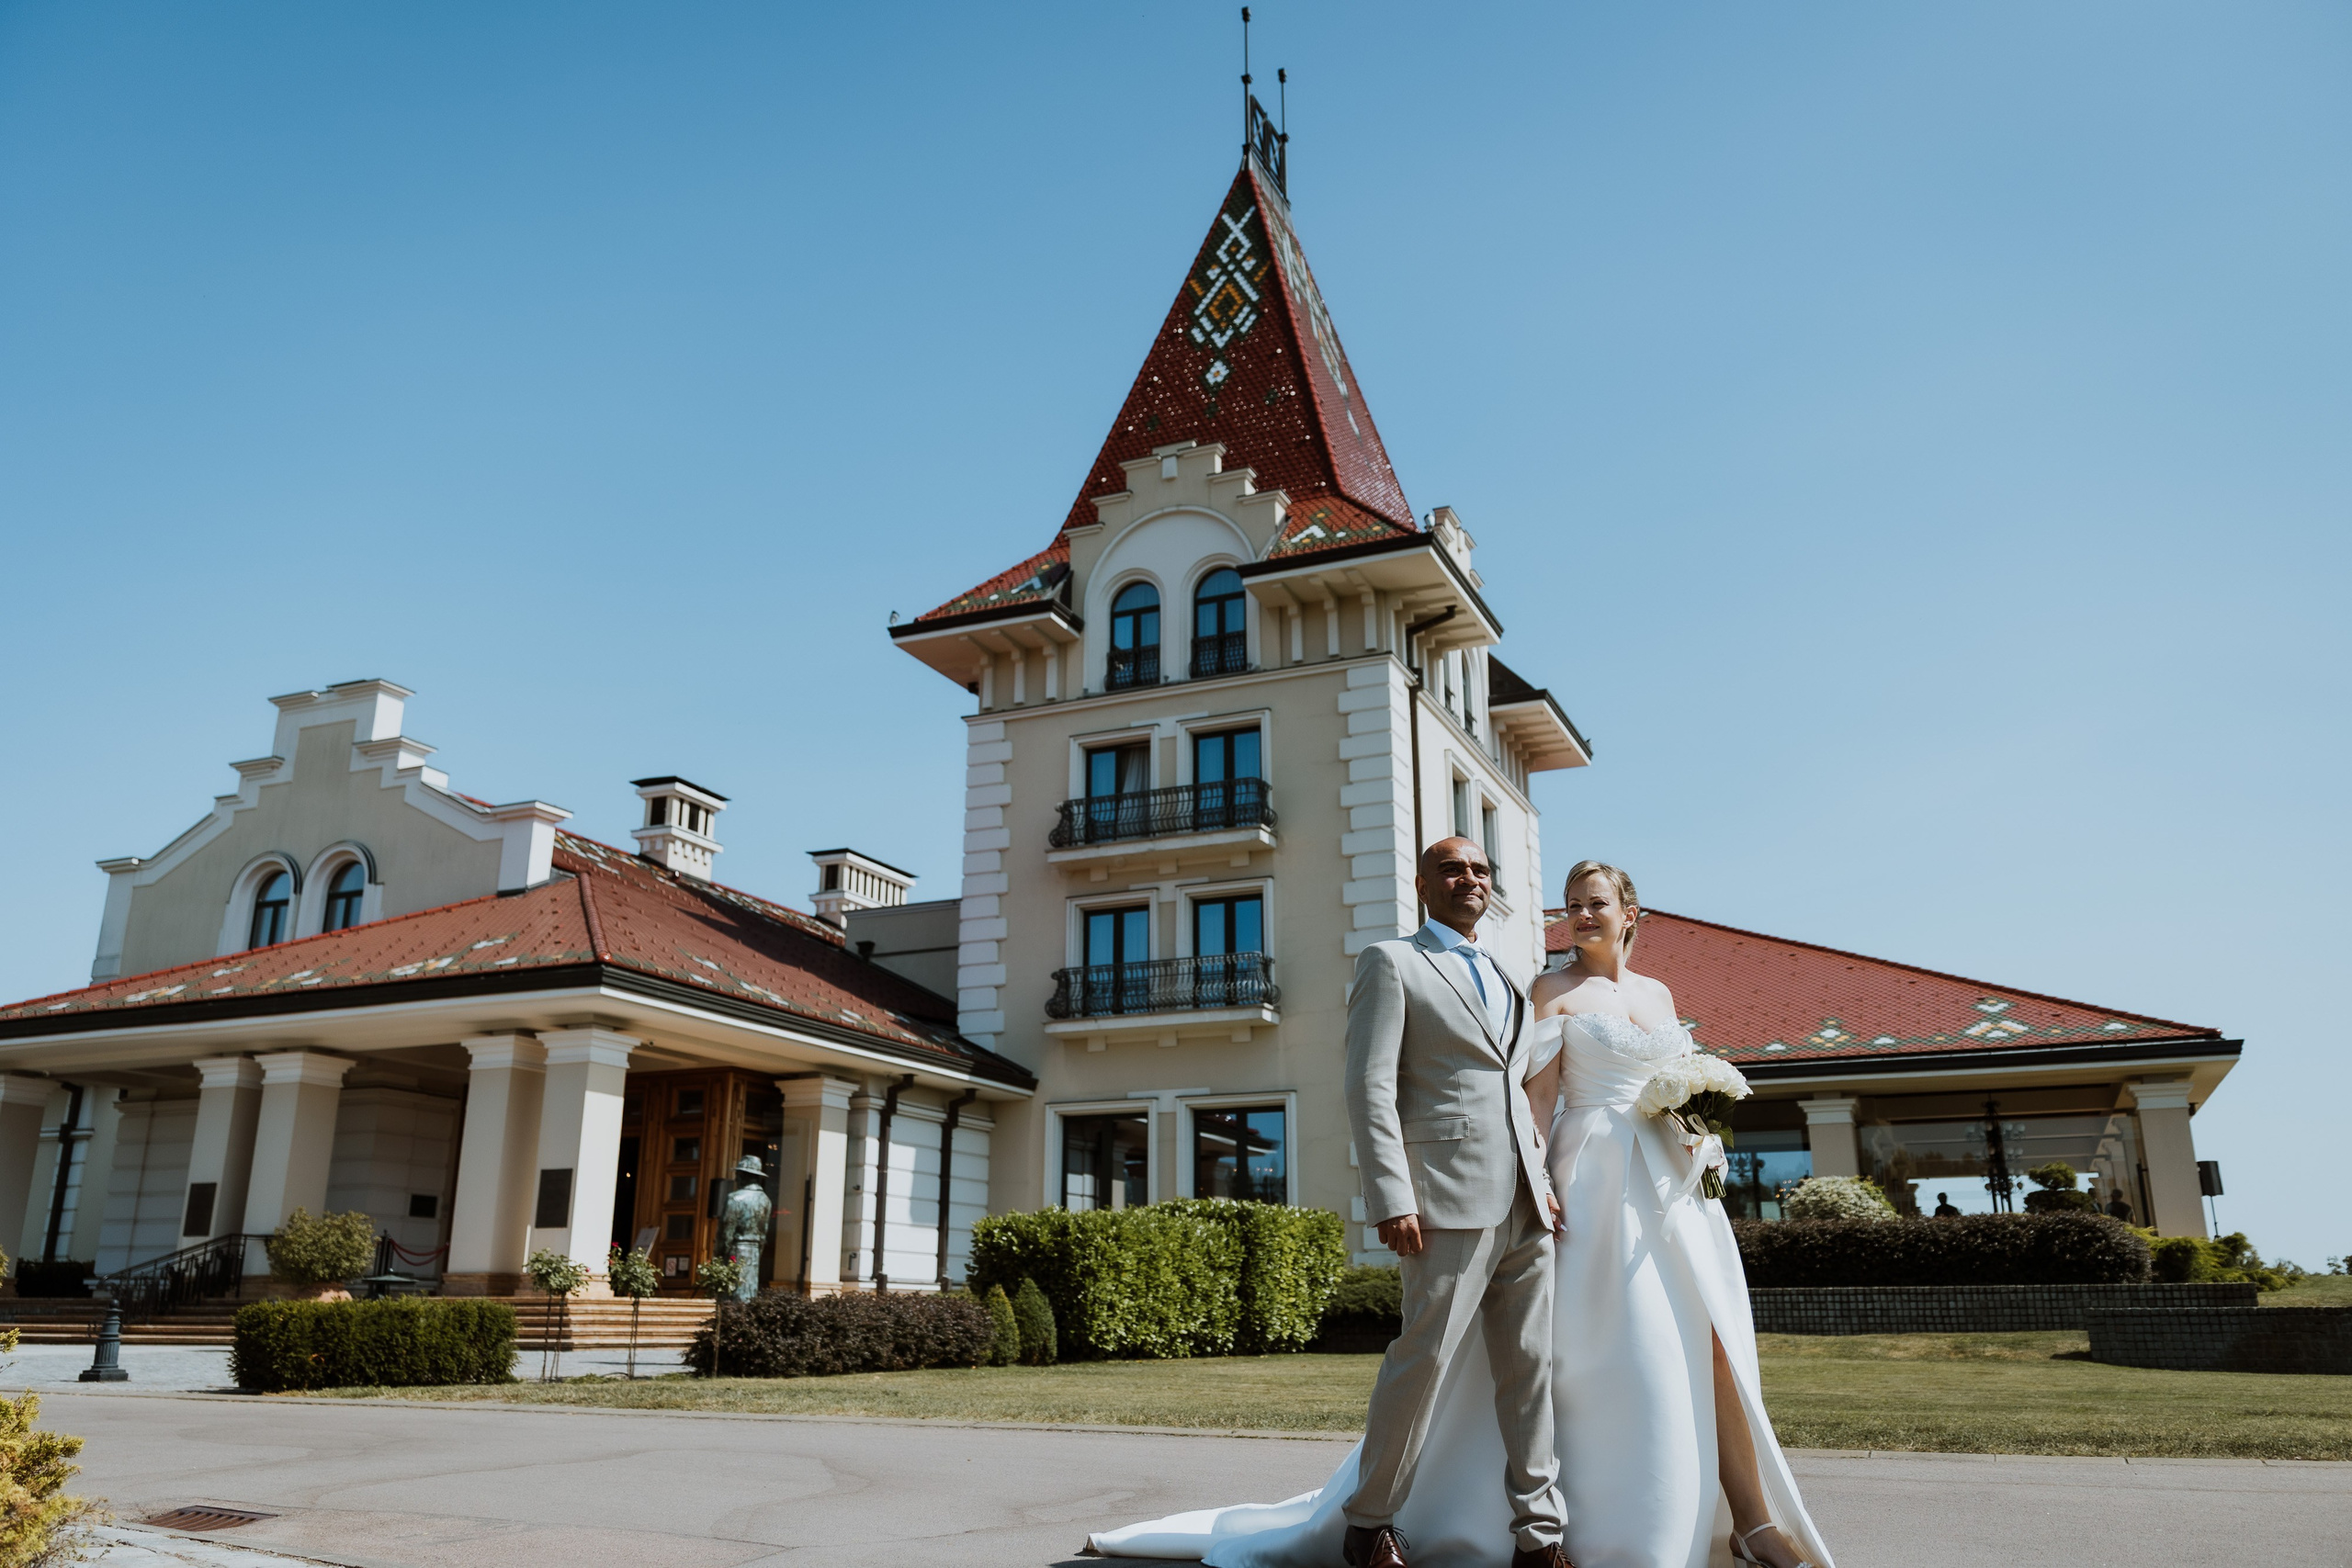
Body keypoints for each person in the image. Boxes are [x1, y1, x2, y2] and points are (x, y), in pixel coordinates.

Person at [1090, 859, 1833, 1568]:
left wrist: (1699, 1138)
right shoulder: (1545, 989)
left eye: (1594, 902)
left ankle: (1745, 1517)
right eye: (1570, 903)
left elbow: (1671, 1088)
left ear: (1630, 913)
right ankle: (1566, 1523)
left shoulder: (1661, 995)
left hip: (1669, 1188)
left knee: (1703, 1346)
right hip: (1590, 1181)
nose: (1578, 914)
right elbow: (1530, 1102)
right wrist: (1536, 1182)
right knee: (1583, 1350)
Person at [1092, 836, 1569, 1567]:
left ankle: (1540, 1536)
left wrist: (1544, 1179)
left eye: (1479, 869)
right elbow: (1368, 1084)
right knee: (1424, 1359)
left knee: (1530, 1367)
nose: (1468, 878)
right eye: (1452, 867)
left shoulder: (1508, 977)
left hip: (1525, 1203)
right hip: (1442, 1198)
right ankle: (1370, 1520)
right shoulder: (1394, 962)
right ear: (1422, 884)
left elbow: (1516, 1090)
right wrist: (1390, 1193)